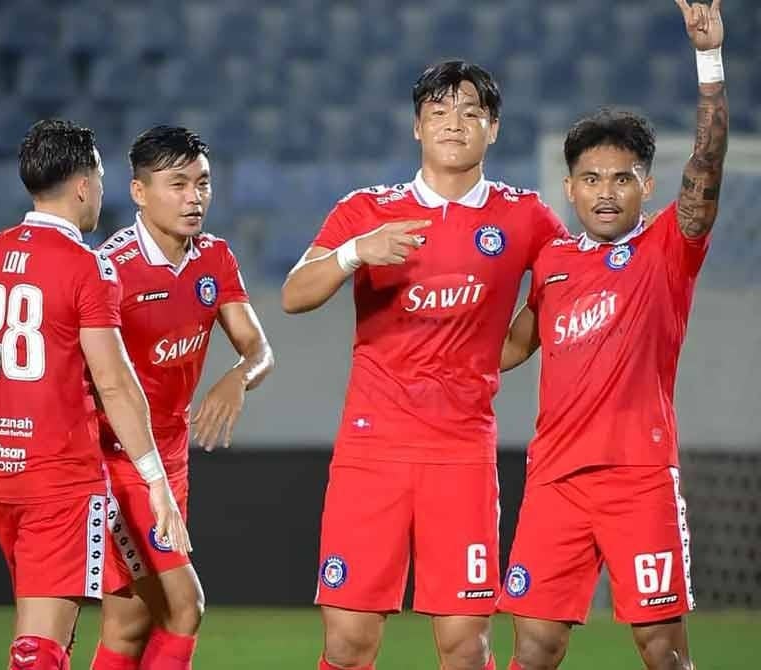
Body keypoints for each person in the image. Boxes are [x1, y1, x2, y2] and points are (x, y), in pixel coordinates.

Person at [281, 60, 566, 670]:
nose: (453, 124)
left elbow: (565, 290)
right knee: (348, 643)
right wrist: (358, 252)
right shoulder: (366, 210)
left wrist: (495, 356)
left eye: (470, 112)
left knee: (466, 646)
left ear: (494, 128)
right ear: (417, 128)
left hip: (462, 454)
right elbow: (295, 293)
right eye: (438, 112)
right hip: (372, 452)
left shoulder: (526, 217)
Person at [497, 2, 728, 669]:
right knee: (534, 647)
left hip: (639, 479)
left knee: (661, 649)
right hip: (554, 483)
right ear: (569, 187)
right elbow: (514, 344)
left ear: (646, 186)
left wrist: (708, 62)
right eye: (592, 179)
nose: (606, 192)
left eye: (622, 178)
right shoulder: (553, 262)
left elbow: (708, 163)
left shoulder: (668, 247)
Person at [0, 119, 190, 670]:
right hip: (59, 482)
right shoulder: (87, 267)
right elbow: (115, 384)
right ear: (84, 185)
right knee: (38, 650)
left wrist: (26, 374)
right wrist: (155, 480)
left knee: (43, 635)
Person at [90, 125, 274, 670]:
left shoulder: (215, 258)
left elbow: (259, 348)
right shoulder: (109, 269)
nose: (194, 198)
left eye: (203, 183)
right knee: (185, 606)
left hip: (172, 460)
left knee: (128, 623)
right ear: (139, 192)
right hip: (117, 461)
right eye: (178, 184)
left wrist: (239, 375)